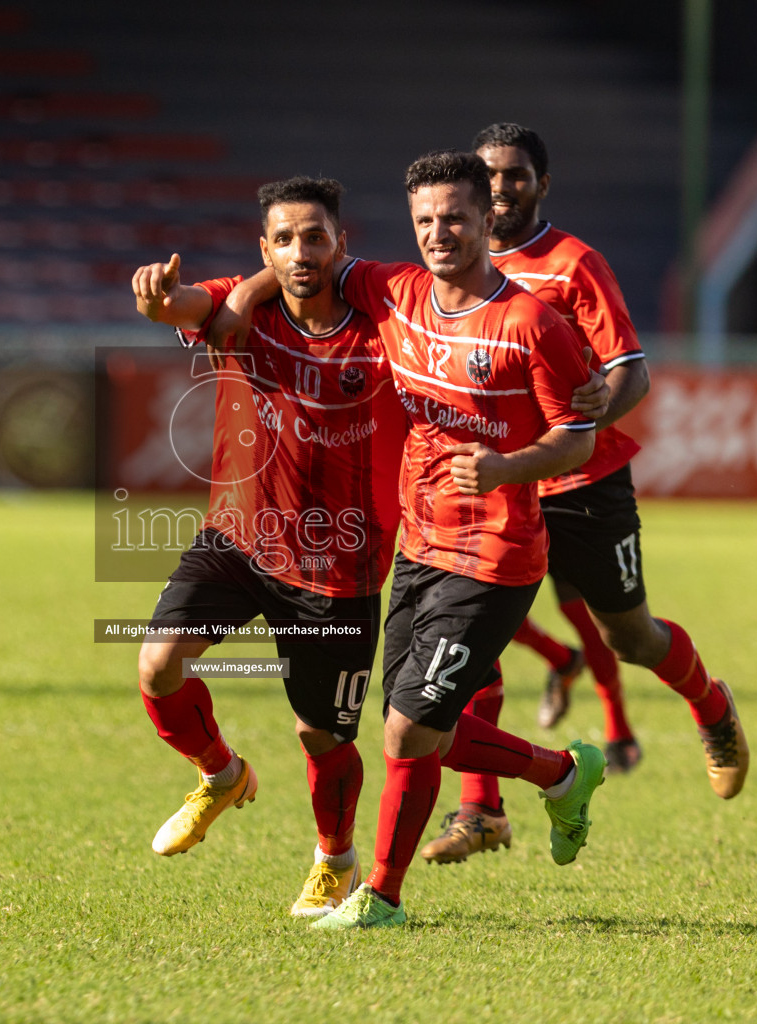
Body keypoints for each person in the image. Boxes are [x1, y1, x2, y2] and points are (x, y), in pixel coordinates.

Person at [214, 151, 614, 930]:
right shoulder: (390, 290)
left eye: (455, 218)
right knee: (415, 721)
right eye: (425, 220)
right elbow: (306, 262)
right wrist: (238, 304)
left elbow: (579, 437)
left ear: (486, 221)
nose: (439, 233)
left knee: (406, 729)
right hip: (419, 548)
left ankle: (384, 900)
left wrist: (507, 467)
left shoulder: (531, 321)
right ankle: (564, 774)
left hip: (497, 554)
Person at [422, 123, 750, 866]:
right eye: (489, 176)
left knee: (628, 638)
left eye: (515, 175)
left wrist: (584, 417)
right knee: (477, 639)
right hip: (496, 488)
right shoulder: (451, 269)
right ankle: (481, 812)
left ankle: (712, 706)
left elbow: (631, 369)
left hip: (581, 481)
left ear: (542, 184)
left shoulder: (573, 264)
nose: (501, 187)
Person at [129, 176, 409, 918]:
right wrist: (161, 299)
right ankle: (221, 775)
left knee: (321, 736)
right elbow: (179, 306)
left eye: (314, 236)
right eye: (282, 239)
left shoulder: (384, 330)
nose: (299, 251)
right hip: (238, 538)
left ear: (341, 245)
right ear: (264, 249)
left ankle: (334, 861)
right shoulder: (235, 310)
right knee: (157, 666)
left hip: (338, 564)